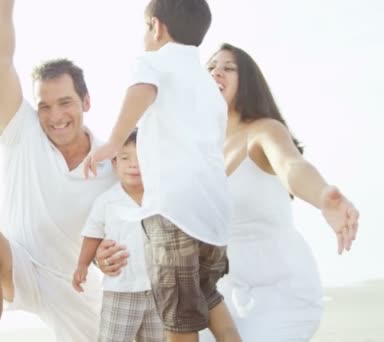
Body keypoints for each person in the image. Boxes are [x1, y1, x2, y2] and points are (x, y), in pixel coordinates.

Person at [84, 1, 241, 341]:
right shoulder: (207, 85)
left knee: (178, 319)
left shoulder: (151, 62)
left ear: (156, 27)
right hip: (214, 220)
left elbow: (142, 90)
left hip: (174, 213)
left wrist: (113, 142)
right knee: (209, 297)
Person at [0, 1, 120, 341]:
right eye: (45, 106)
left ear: (86, 102)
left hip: (75, 287)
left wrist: (109, 256)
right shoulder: (23, 130)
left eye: (65, 102)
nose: (54, 116)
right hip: (20, 266)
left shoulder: (113, 161)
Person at [197, 43, 360, 341]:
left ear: (247, 82)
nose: (216, 72)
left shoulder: (264, 130)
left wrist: (322, 195)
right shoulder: (201, 150)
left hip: (281, 290)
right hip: (223, 293)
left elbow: (291, 165)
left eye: (228, 67)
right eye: (210, 67)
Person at [73, 129, 166, 342]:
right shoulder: (106, 201)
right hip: (120, 290)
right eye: (125, 158)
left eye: (143, 157)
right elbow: (92, 234)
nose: (134, 164)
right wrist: (82, 265)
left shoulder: (161, 201)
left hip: (159, 292)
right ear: (114, 164)